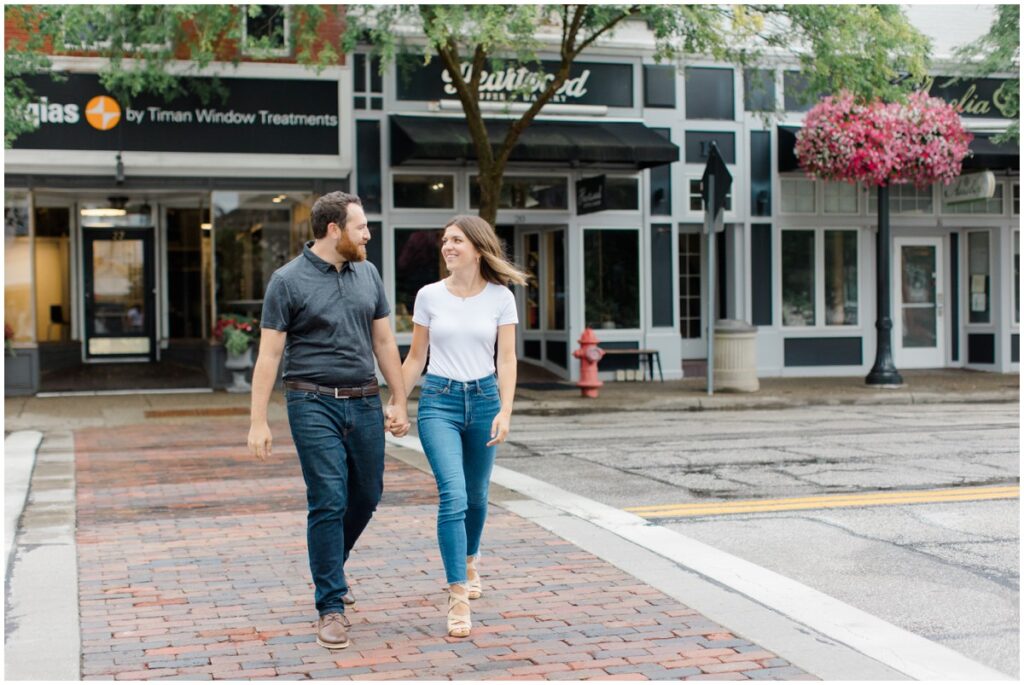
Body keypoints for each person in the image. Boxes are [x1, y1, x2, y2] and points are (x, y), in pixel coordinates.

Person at [247, 191, 411, 651]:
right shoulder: (287, 280)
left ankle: (329, 569)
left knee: (368, 494)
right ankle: (331, 606)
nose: (368, 235)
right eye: (361, 227)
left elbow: (383, 342)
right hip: (310, 400)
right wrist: (258, 420)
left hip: (363, 399)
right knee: (329, 497)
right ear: (334, 229)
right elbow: (270, 354)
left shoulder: (369, 273)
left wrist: (399, 399)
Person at [392, 215, 527, 638]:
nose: (447, 247)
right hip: (439, 402)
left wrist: (505, 410)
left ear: (477, 247)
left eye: (456, 240)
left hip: (485, 400)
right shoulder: (429, 296)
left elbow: (506, 359)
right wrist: (396, 401)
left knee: (478, 495)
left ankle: (470, 559)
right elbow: (416, 357)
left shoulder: (501, 298)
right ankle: (457, 596)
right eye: (445, 241)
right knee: (453, 496)